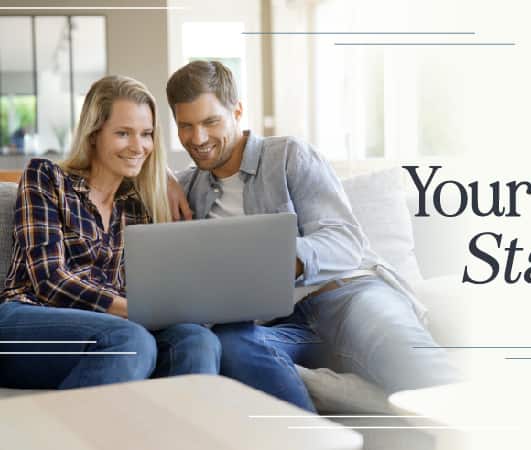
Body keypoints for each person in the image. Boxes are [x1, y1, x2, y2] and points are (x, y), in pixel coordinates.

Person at [165, 60, 460, 412]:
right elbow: (120, 155)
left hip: (347, 295)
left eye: (210, 122)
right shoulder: (187, 188)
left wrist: (278, 260)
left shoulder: (288, 155)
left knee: (417, 366)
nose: (198, 139)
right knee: (230, 346)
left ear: (238, 111)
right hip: (277, 321)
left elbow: (344, 240)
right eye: (186, 126)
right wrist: (162, 175)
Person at [0, 75, 221, 390]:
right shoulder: (46, 177)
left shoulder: (137, 207)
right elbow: (49, 280)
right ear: (93, 135)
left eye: (146, 134)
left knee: (197, 340)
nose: (138, 146)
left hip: (113, 329)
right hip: (26, 322)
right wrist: (134, 311)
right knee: (131, 340)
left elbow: (149, 290)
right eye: (123, 133)